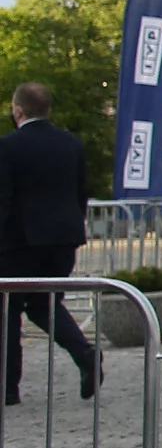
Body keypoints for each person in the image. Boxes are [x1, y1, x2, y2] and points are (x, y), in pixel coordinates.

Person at [0, 82, 102, 404]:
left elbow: (3, 200)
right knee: (45, 305)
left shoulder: (8, 147)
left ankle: (8, 387)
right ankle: (84, 354)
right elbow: (80, 193)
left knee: (8, 310)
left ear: (17, 111)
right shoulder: (71, 145)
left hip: (20, 241)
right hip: (63, 240)